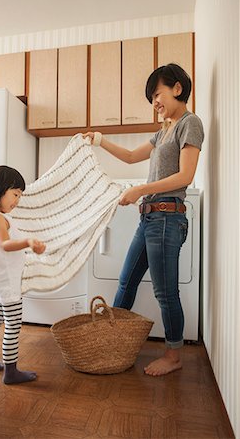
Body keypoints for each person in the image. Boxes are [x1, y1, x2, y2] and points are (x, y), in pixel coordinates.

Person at [82, 63, 204, 376]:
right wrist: (99, 140)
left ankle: (174, 356)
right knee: (126, 282)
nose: (155, 103)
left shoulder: (189, 123)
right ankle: (113, 341)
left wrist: (140, 189)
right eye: (151, 98)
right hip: (150, 218)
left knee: (166, 293)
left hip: (166, 218)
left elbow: (185, 175)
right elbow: (130, 156)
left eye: (158, 94)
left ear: (177, 88)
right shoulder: (163, 131)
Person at [0, 165, 46, 384]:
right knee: (13, 324)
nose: (17, 200)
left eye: (20, 196)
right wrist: (28, 242)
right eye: (15, 194)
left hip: (1, 279)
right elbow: (5, 244)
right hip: (6, 281)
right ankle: (11, 371)